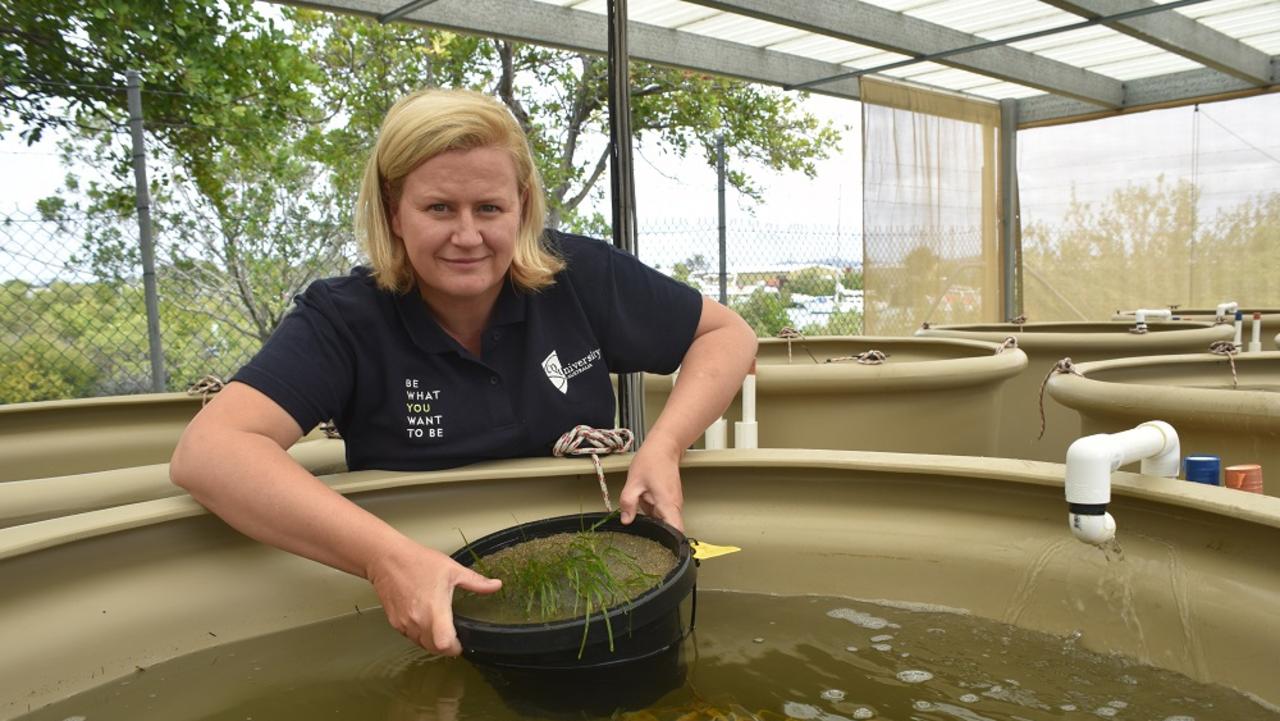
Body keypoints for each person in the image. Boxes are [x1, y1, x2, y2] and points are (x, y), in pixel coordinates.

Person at [170, 87, 757, 658]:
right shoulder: (345, 317)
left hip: (590, 583)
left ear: (522, 205)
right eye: (438, 208)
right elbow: (211, 451)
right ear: (393, 211)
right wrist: (385, 559)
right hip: (426, 603)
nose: (468, 236)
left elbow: (728, 334)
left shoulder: (576, 276)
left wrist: (665, 446)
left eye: (490, 208)